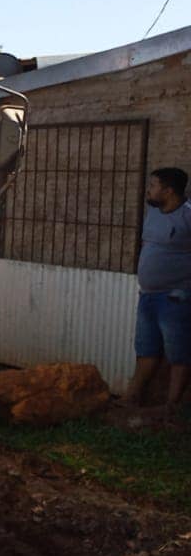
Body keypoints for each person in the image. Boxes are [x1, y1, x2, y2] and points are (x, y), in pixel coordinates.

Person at [123, 166, 191, 410]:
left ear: (168, 191)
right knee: (146, 349)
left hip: (176, 297)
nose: (149, 190)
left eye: (153, 186)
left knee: (179, 352)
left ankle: (171, 406)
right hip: (148, 295)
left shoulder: (187, 215)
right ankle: (132, 397)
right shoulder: (153, 213)